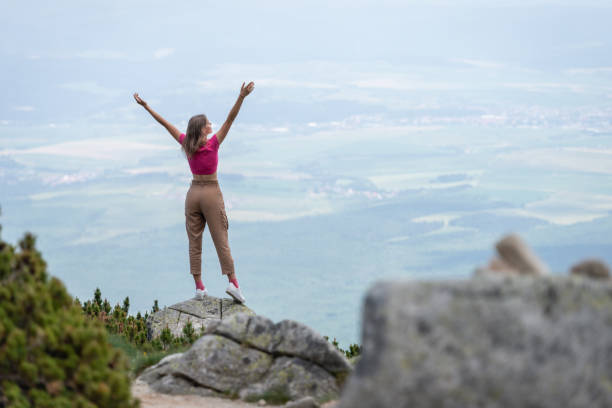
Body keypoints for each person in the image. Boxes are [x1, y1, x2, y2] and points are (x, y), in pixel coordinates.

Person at [133, 81, 255, 303]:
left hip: (192, 195)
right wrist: (241, 97)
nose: (212, 124)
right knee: (221, 238)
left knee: (194, 240)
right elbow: (231, 118)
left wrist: (146, 107)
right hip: (210, 192)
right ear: (203, 129)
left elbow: (165, 124)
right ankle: (233, 283)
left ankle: (199, 286)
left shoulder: (186, 143)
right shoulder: (214, 144)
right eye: (208, 123)